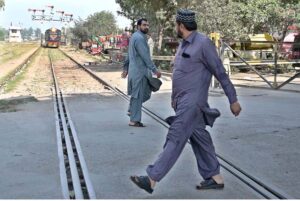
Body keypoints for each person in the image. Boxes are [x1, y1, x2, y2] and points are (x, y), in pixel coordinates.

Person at [130, 9, 242, 194]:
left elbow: (220, 72)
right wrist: (174, 99)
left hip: (193, 103)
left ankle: (152, 178)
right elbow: (181, 74)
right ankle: (215, 177)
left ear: (181, 25)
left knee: (175, 137)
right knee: (200, 139)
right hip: (183, 102)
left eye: (176, 25)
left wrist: (233, 99)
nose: (175, 27)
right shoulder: (183, 45)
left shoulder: (204, 43)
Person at [122, 18, 161, 127]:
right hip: (139, 73)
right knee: (139, 95)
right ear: (138, 26)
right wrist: (155, 70)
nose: (146, 27)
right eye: (144, 25)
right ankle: (134, 120)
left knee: (143, 94)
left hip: (136, 72)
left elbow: (129, 55)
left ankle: (132, 109)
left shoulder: (135, 37)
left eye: (147, 25)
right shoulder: (139, 38)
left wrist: (125, 69)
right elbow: (145, 57)